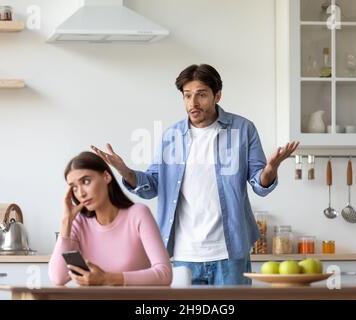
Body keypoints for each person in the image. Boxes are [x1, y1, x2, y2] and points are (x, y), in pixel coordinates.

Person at [91, 64, 299, 285]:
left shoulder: (243, 129)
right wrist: (124, 170)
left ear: (217, 95)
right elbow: (152, 186)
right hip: (183, 255)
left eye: (201, 95)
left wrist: (270, 169)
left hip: (230, 254)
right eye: (187, 96)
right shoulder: (171, 136)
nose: (193, 103)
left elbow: (260, 184)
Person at [48, 151, 172, 286]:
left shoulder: (138, 214)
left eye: (86, 181)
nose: (81, 193)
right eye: (74, 188)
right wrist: (66, 223)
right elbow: (58, 278)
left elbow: (164, 274)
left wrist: (107, 279)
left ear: (106, 176)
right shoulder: (78, 223)